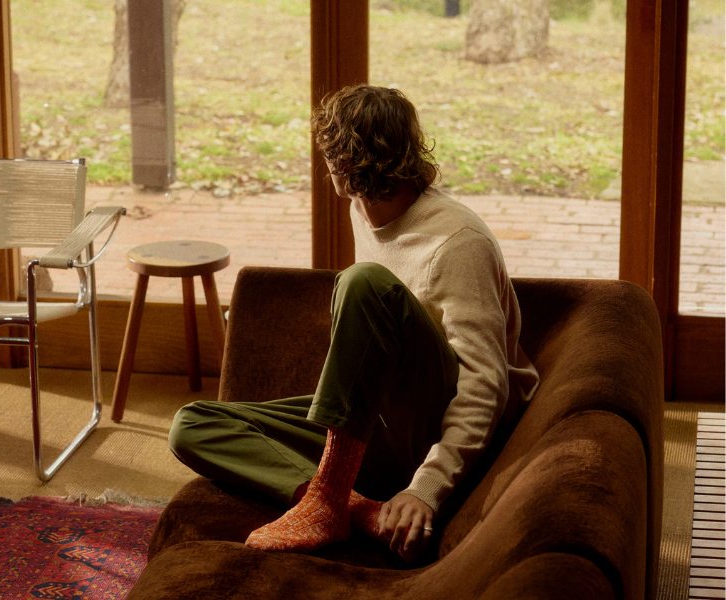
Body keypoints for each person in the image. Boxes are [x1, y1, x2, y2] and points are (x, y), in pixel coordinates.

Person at [168, 85, 539, 563]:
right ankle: (355, 508)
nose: (326, 165)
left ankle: (329, 497)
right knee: (192, 424)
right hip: (382, 426)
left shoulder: (458, 240)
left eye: (330, 155)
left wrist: (427, 487)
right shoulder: (360, 210)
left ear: (344, 162)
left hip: (439, 429)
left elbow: (485, 383)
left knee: (363, 282)